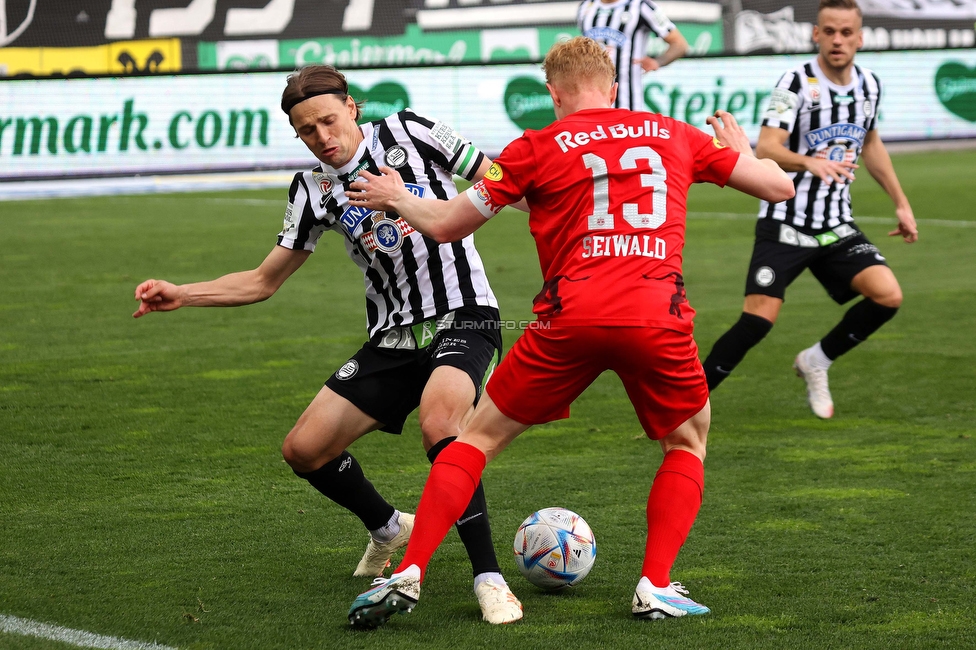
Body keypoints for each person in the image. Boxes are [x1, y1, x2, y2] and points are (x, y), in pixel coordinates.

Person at [343, 36, 793, 627]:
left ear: (552, 94)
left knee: (475, 441)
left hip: (568, 318)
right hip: (657, 316)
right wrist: (743, 151)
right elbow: (778, 187)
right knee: (686, 443)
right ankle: (654, 585)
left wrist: (400, 197)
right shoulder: (673, 133)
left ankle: (410, 571)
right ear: (611, 87)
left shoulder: (532, 147)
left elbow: (450, 226)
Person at [132, 64, 524, 624]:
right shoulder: (312, 189)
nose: (323, 137)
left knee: (441, 424)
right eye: (307, 131)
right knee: (304, 449)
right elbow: (263, 280)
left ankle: (489, 579)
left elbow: (504, 182)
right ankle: (391, 528)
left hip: (464, 314)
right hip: (391, 338)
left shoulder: (414, 132)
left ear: (352, 108)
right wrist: (182, 293)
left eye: (329, 120)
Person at [700, 0, 917, 419]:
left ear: (860, 37)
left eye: (846, 32)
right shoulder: (794, 83)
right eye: (829, 31)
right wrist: (809, 161)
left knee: (887, 296)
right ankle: (687, 402)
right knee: (757, 322)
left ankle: (816, 360)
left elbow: (870, 144)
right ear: (815, 34)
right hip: (787, 221)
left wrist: (901, 203)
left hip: (836, 224)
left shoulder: (870, 85)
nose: (838, 40)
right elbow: (767, 147)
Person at [577, 0, 689, 111]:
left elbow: (680, 44)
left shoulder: (643, 6)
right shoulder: (586, 7)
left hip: (628, 104)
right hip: (591, 105)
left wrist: (657, 62)